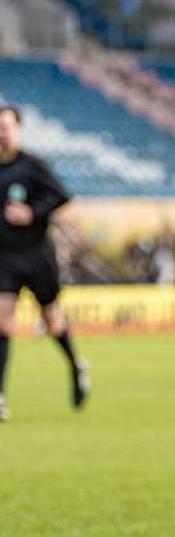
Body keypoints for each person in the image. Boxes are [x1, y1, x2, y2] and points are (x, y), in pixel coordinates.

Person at [0, 104, 90, 422]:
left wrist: (32, 213)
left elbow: (61, 196)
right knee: (2, 321)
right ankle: (0, 396)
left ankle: (75, 365)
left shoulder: (32, 166)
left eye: (6, 127)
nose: (2, 133)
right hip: (5, 258)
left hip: (37, 255)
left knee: (52, 321)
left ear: (18, 130)